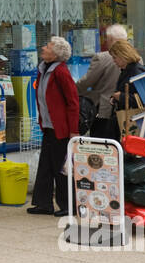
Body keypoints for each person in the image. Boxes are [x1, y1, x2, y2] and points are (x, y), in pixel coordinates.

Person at [27, 36, 81, 218]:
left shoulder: (61, 72)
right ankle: (43, 203)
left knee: (61, 168)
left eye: (48, 46)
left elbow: (73, 102)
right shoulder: (44, 70)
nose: (43, 48)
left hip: (61, 128)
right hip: (49, 126)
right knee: (45, 166)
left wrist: (73, 130)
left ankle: (68, 205)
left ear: (56, 53)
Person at [77, 24, 129, 138]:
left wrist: (73, 90)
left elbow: (87, 82)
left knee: (101, 145)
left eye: (107, 39)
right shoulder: (137, 57)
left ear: (110, 40)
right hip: (126, 111)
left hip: (104, 110)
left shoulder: (102, 58)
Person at [108, 39, 145, 128]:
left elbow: (142, 99)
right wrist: (115, 98)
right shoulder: (127, 71)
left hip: (133, 120)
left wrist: (120, 96)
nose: (114, 61)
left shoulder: (135, 72)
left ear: (123, 55)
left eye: (114, 57)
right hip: (127, 118)